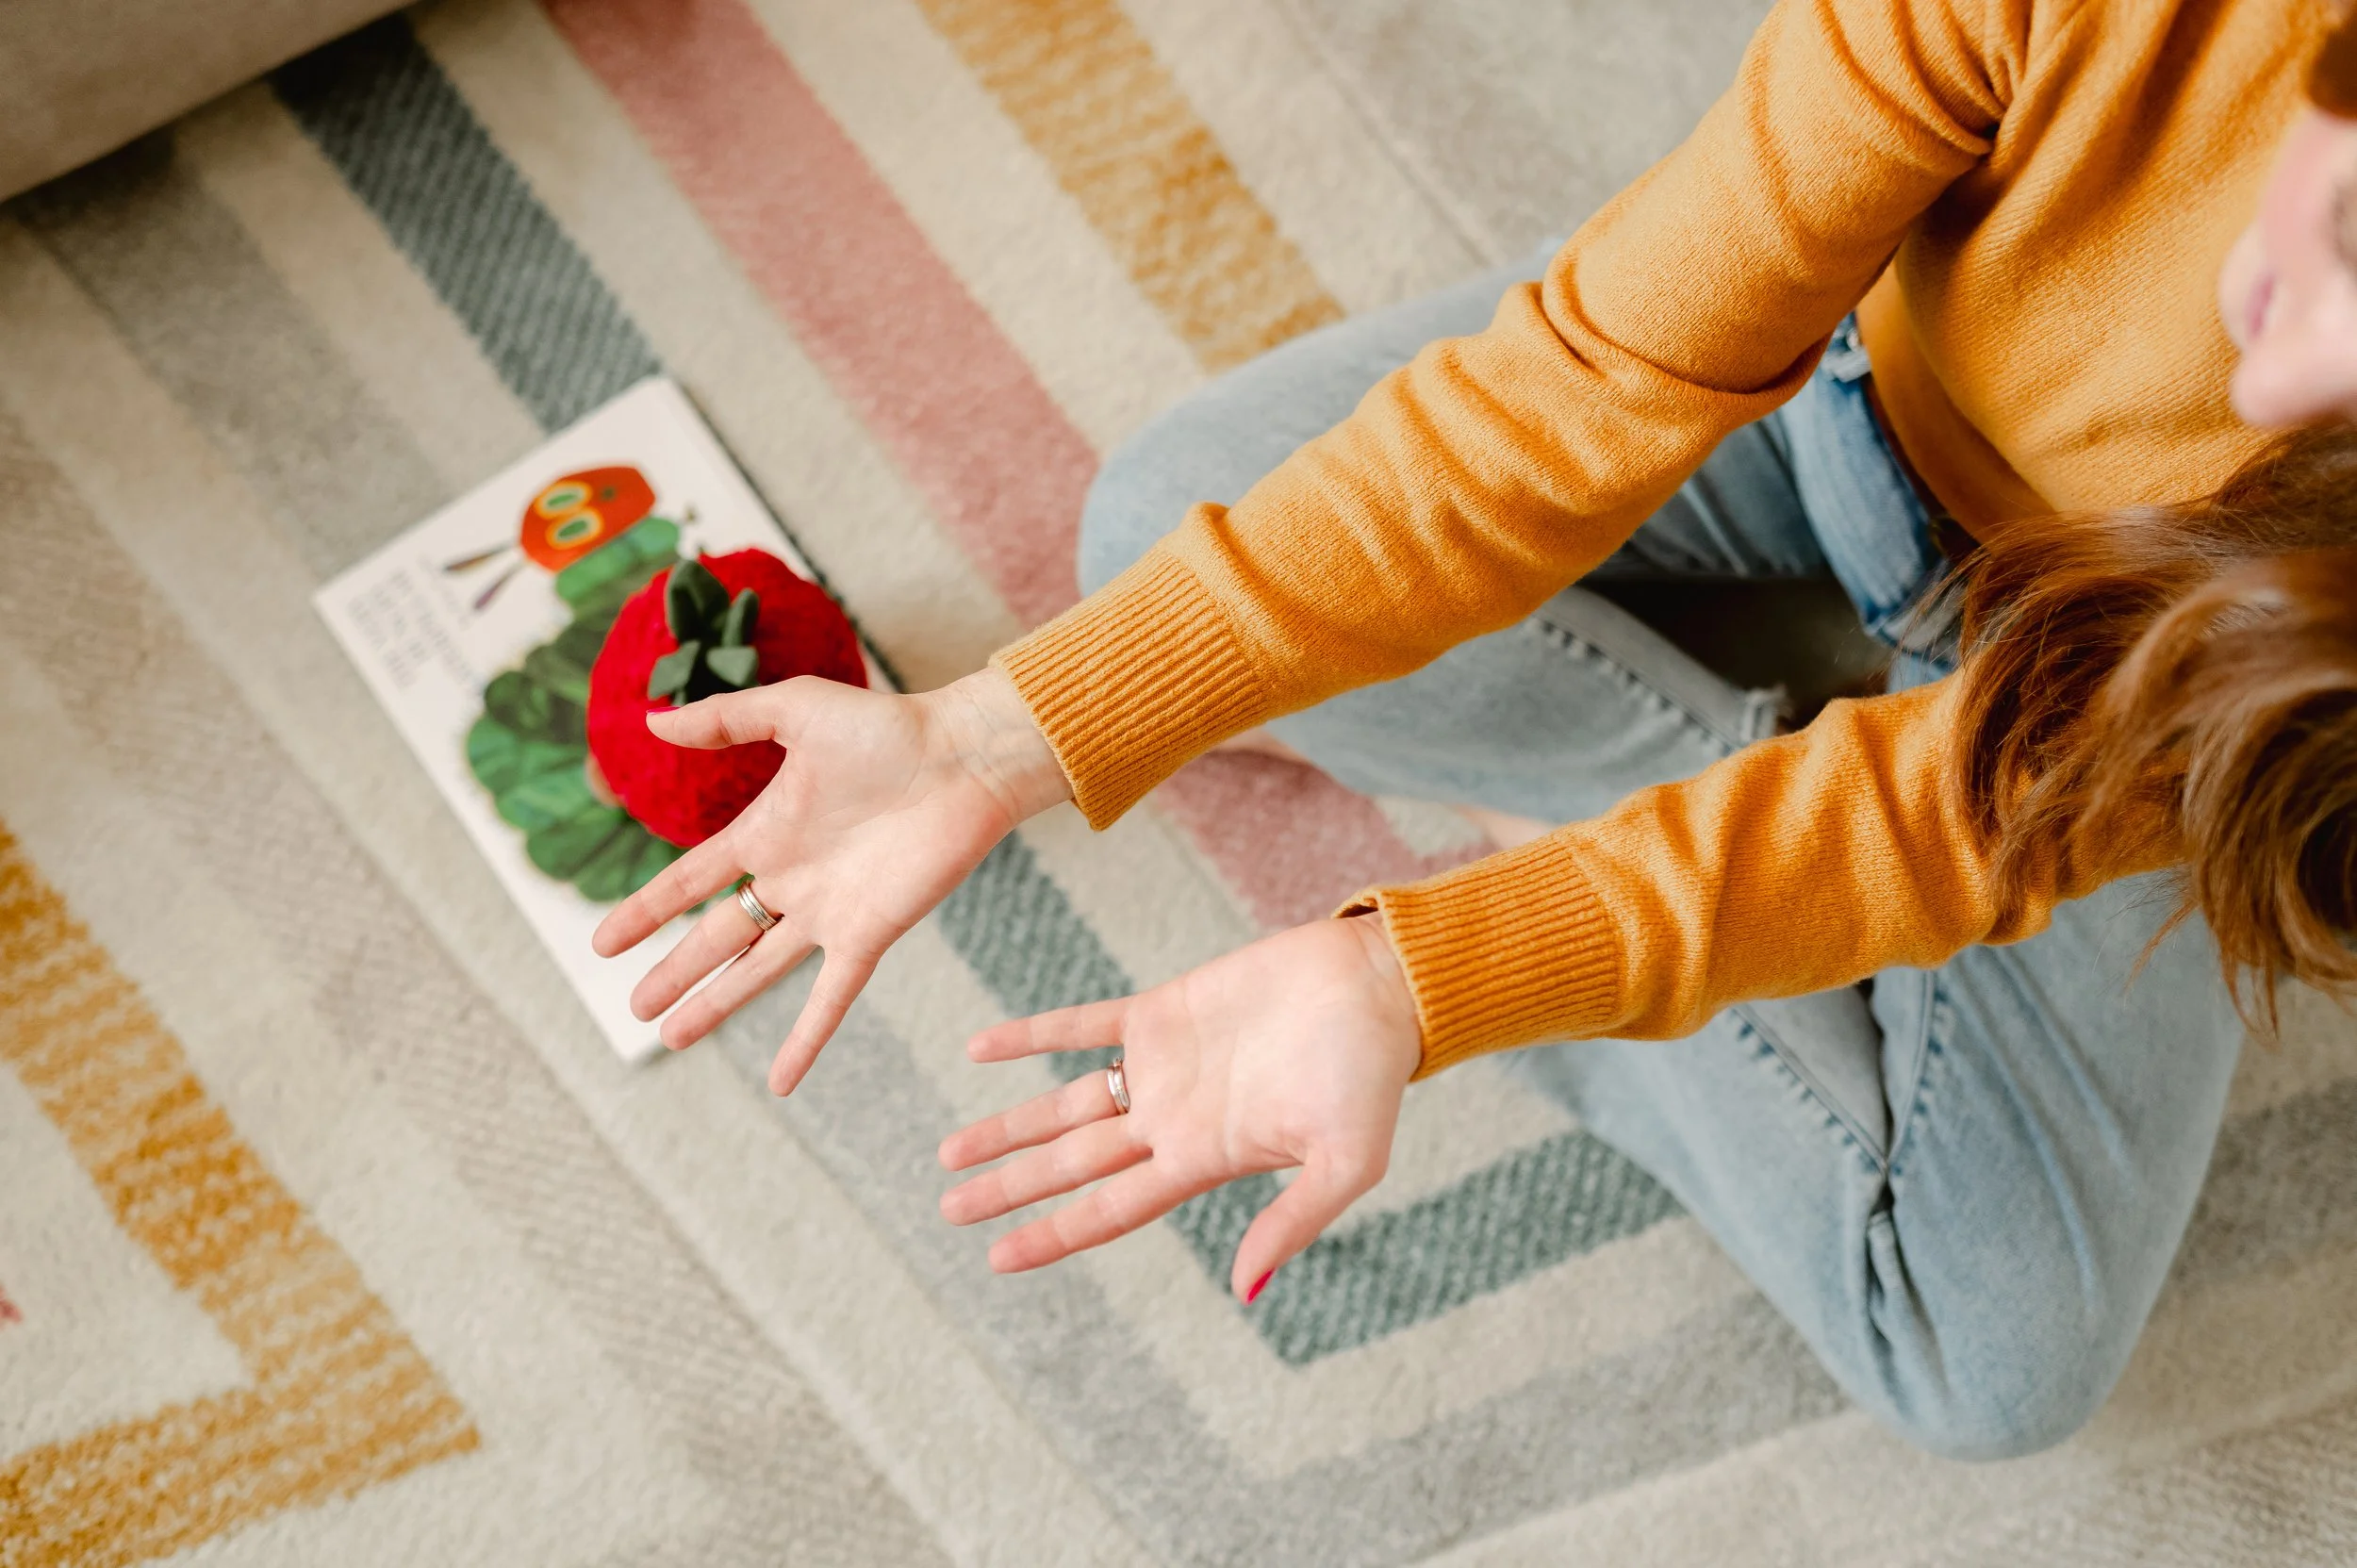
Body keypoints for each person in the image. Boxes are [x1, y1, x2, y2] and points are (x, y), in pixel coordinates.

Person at [596, 0, 2357, 1458]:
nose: (2276, 370)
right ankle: (1714, 823)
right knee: (1152, 537)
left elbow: (1996, 811)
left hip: (2112, 708)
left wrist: (1421, 979)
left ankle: (1663, 848)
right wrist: (999, 734)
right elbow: (1586, 390)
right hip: (1841, 387)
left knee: (1991, 1359)